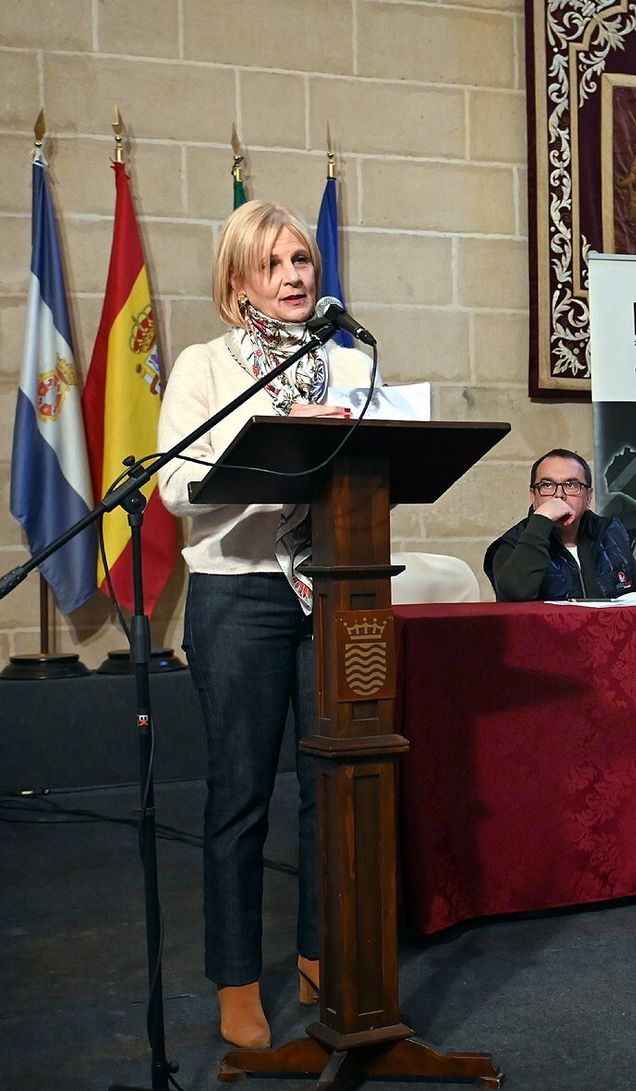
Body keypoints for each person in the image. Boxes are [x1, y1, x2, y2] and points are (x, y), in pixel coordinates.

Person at [156, 201, 374, 1050]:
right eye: (275, 264)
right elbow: (175, 487)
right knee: (242, 796)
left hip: (331, 590)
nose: (293, 278)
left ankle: (321, 952)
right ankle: (238, 981)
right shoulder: (207, 366)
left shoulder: (347, 361)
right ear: (239, 276)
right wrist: (283, 447)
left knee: (330, 790)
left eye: (303, 263)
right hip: (238, 593)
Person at [486, 448, 636, 599]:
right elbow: (513, 597)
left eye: (571, 485)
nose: (559, 495)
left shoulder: (611, 532)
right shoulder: (510, 545)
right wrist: (542, 520)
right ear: (533, 496)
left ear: (588, 497)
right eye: (547, 485)